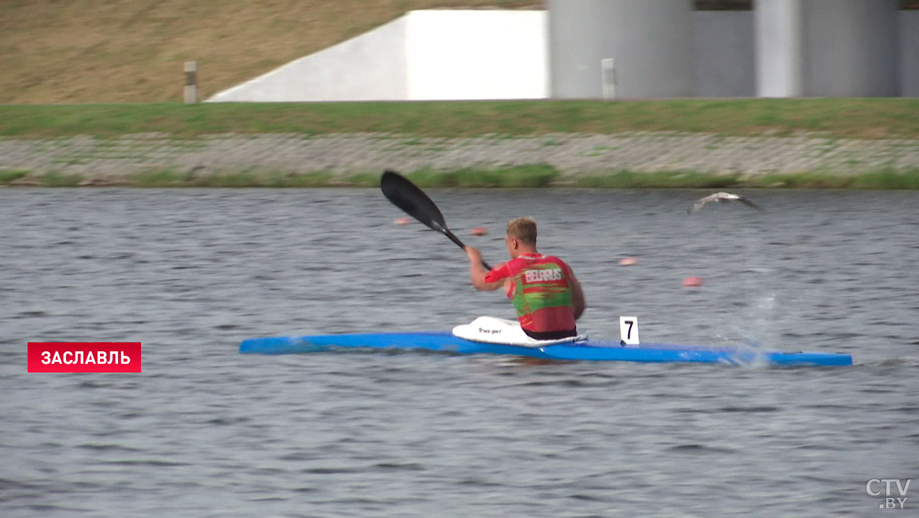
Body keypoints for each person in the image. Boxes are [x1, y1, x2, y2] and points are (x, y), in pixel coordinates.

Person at [464, 217, 586, 340]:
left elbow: (479, 282)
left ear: (513, 242)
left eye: (506, 243)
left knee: (483, 322)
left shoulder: (508, 269)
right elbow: (579, 306)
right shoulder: (561, 265)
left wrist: (475, 259)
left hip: (536, 338)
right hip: (569, 335)